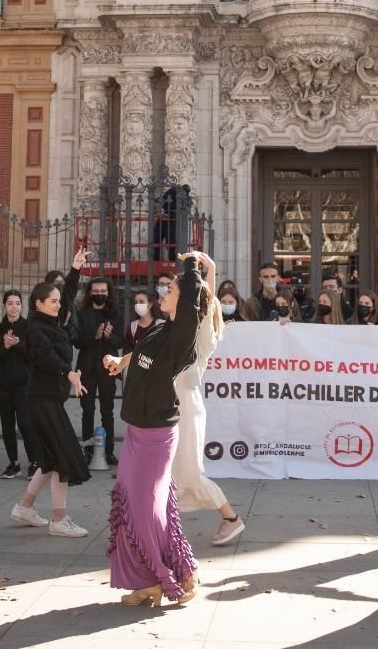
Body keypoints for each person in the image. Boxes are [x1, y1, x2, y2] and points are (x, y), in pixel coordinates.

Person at [103, 252, 208, 606]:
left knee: (147, 511)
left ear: (185, 299)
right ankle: (150, 580)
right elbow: (140, 352)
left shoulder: (182, 335)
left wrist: (192, 266)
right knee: (132, 506)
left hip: (156, 436)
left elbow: (192, 296)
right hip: (136, 429)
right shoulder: (161, 329)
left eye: (168, 290)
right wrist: (121, 361)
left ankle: (176, 575)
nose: (161, 294)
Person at [166, 253, 246, 548]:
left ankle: (231, 518)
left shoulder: (199, 325)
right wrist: (210, 267)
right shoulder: (202, 320)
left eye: (171, 290)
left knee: (188, 471)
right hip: (180, 398)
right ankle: (162, 529)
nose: (165, 294)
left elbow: (205, 298)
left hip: (185, 399)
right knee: (172, 468)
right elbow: (208, 298)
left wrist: (208, 269)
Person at [10, 281, 91, 537]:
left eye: (58, 301)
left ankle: (24, 507)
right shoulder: (35, 329)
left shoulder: (52, 323)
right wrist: (69, 373)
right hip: (41, 400)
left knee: (50, 460)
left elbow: (66, 297)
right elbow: (46, 356)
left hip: (50, 399)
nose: (59, 305)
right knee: (62, 457)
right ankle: (59, 520)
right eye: (53, 301)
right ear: (39, 303)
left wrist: (75, 269)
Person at [73, 261, 122, 466]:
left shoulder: (115, 314)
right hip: (87, 368)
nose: (99, 293)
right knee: (87, 411)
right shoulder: (82, 313)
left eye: (103, 291)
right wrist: (94, 336)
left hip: (108, 369)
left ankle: (109, 450)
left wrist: (109, 337)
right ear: (90, 293)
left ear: (108, 293)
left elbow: (120, 342)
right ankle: (87, 448)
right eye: (96, 290)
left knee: (107, 411)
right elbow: (76, 341)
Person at [0, 289, 38, 479]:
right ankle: (14, 463)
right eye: (10, 303)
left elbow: (34, 355)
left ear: (22, 306)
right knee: (7, 424)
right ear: (4, 306)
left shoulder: (29, 327)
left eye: (17, 303)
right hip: (3, 383)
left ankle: (35, 462)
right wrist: (4, 346)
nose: (14, 307)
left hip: (24, 383)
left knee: (26, 423)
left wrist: (18, 344)